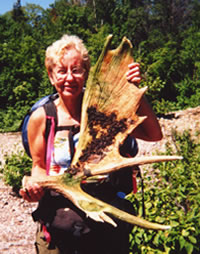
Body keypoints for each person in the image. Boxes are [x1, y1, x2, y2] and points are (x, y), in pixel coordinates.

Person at [20, 34, 162, 254]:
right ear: (51, 76)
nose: (69, 77)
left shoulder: (105, 112)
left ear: (86, 73)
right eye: (61, 70)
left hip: (106, 222)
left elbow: (154, 135)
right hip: (59, 227)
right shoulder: (42, 118)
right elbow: (39, 166)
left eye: (77, 70)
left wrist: (135, 92)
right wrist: (34, 188)